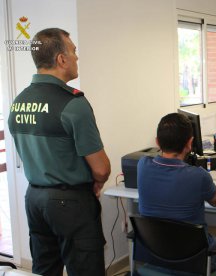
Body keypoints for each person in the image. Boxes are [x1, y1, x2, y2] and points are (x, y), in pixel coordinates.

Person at [8, 28, 111, 276]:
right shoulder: (73, 104)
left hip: (34, 199)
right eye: (74, 51)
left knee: (45, 269)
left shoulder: (19, 101)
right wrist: (97, 183)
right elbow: (101, 168)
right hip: (71, 202)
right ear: (61, 59)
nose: (77, 57)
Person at [138, 113, 216, 272]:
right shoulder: (198, 176)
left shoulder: (142, 166)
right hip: (197, 258)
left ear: (157, 142)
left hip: (156, 255)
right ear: (189, 144)